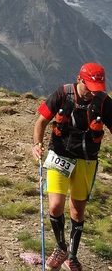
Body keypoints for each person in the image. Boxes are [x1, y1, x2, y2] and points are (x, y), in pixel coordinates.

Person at [31, 62, 112, 271]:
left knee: (77, 211)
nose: (91, 94)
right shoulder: (63, 94)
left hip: (87, 160)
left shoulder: (103, 102)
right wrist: (36, 145)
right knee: (55, 206)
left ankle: (72, 257)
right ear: (79, 79)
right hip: (60, 155)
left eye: (97, 90)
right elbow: (41, 122)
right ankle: (60, 247)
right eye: (89, 89)